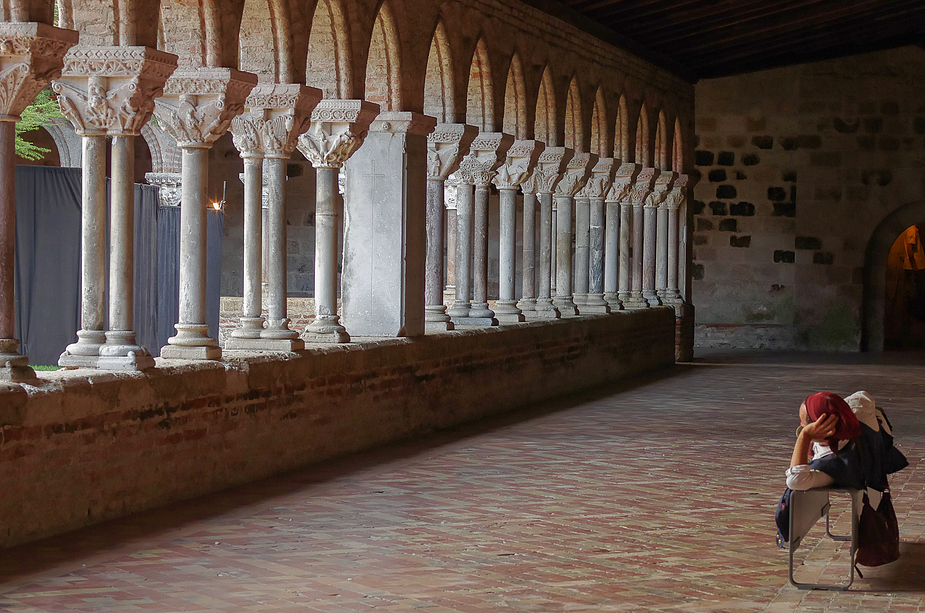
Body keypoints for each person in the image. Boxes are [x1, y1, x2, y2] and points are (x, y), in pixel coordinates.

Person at [786, 391, 908, 507]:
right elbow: (862, 396)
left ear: (821, 428)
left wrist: (804, 437)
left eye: (804, 425)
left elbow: (795, 481)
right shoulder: (861, 415)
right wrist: (838, 412)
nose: (801, 425)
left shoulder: (832, 465)